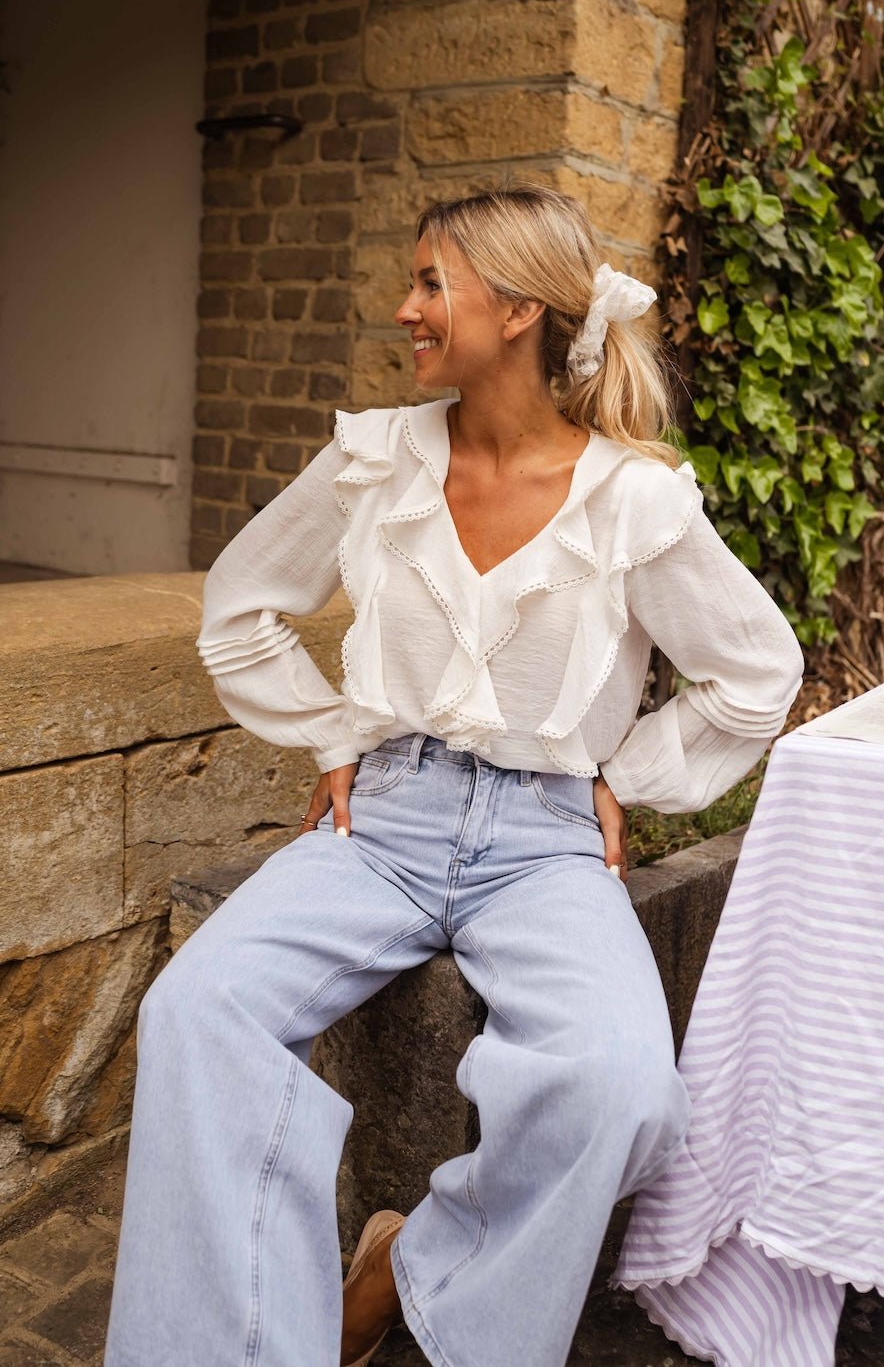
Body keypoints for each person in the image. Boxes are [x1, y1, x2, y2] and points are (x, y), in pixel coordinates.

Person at [104, 184, 803, 1367]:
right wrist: (333, 737)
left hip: (544, 846)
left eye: (432, 283)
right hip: (380, 823)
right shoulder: (373, 460)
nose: (405, 308)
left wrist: (625, 776)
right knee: (195, 1010)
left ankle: (412, 1267)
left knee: (623, 1087)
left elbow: (758, 670)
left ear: (519, 308)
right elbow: (242, 604)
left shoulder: (632, 497)